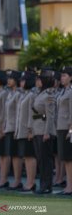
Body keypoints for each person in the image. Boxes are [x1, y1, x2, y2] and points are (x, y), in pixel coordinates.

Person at [30, 69, 56, 194]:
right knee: (40, 159)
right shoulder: (40, 94)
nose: (37, 81)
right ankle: (43, 184)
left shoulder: (49, 95)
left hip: (44, 131)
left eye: (40, 79)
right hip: (37, 129)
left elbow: (50, 116)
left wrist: (47, 132)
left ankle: (46, 186)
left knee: (46, 159)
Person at [15, 70, 37, 192]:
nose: (21, 82)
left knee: (30, 156)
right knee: (25, 157)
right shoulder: (25, 94)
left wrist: (30, 129)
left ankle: (31, 183)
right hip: (21, 130)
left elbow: (33, 114)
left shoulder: (32, 95)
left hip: (28, 130)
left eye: (23, 80)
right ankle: (28, 182)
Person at [56, 66, 72, 195]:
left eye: (65, 76)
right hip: (60, 127)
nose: (62, 78)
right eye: (61, 76)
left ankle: (70, 187)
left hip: (68, 129)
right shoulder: (62, 91)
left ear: (71, 78)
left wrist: (71, 131)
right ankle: (68, 185)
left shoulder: (71, 92)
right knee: (65, 159)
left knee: (69, 158)